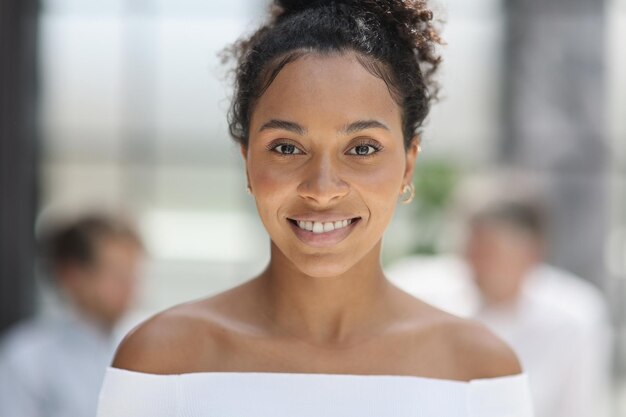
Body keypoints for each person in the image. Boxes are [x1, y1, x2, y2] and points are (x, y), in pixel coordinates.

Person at [96, 1, 534, 416]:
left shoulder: (478, 371)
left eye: (362, 148)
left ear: (408, 165)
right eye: (287, 147)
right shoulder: (163, 360)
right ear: (247, 160)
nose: (322, 189)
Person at [463, 193, 614, 417]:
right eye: (472, 250)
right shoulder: (430, 294)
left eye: (490, 252)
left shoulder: (575, 316)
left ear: (531, 253)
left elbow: (581, 408)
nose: (476, 263)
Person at [0, 214, 144, 417]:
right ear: (73, 275)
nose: (129, 287)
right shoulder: (26, 358)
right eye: (117, 274)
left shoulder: (145, 351)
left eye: (133, 275)